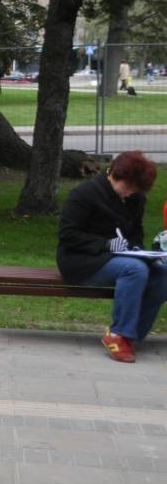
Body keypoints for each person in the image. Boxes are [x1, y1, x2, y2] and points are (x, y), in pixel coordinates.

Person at [57, 151, 166, 363]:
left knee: (163, 273)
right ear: (114, 175)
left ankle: (129, 336)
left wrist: (138, 249)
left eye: (135, 191)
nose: (129, 194)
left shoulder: (136, 198)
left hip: (121, 258)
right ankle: (118, 334)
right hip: (82, 260)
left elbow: (136, 232)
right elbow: (68, 235)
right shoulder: (85, 194)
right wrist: (105, 244)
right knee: (135, 269)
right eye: (127, 188)